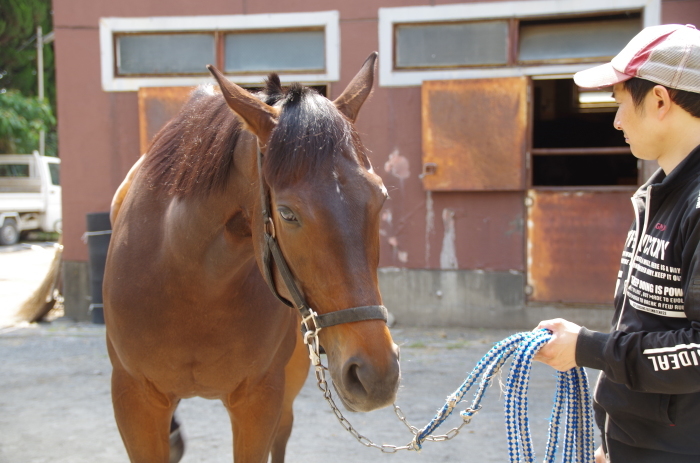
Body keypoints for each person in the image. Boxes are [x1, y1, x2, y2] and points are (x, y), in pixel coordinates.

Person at [534, 23, 700, 463]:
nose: (616, 120)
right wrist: (617, 439)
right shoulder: (663, 193)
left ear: (661, 100)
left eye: (621, 103)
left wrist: (587, 347)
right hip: (641, 442)